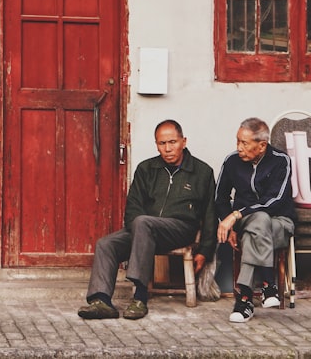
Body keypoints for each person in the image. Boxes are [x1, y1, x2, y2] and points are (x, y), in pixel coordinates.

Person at [78, 119, 217, 320]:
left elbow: (210, 214)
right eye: (162, 144)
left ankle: (140, 297)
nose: (168, 149)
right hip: (144, 231)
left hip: (179, 230)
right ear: (156, 145)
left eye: (172, 142)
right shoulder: (146, 169)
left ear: (183, 141)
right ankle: (101, 301)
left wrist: (204, 251)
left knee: (144, 223)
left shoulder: (202, 172)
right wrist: (140, 234)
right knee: (106, 243)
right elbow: (132, 207)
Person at [215, 116, 296, 323]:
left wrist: (236, 215)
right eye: (237, 141)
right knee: (257, 222)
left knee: (257, 225)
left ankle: (244, 302)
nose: (239, 147)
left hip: (279, 223)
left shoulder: (281, 161)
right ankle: (269, 284)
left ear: (261, 146)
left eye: (244, 143)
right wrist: (230, 224)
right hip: (245, 224)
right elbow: (220, 198)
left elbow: (275, 201)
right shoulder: (232, 161)